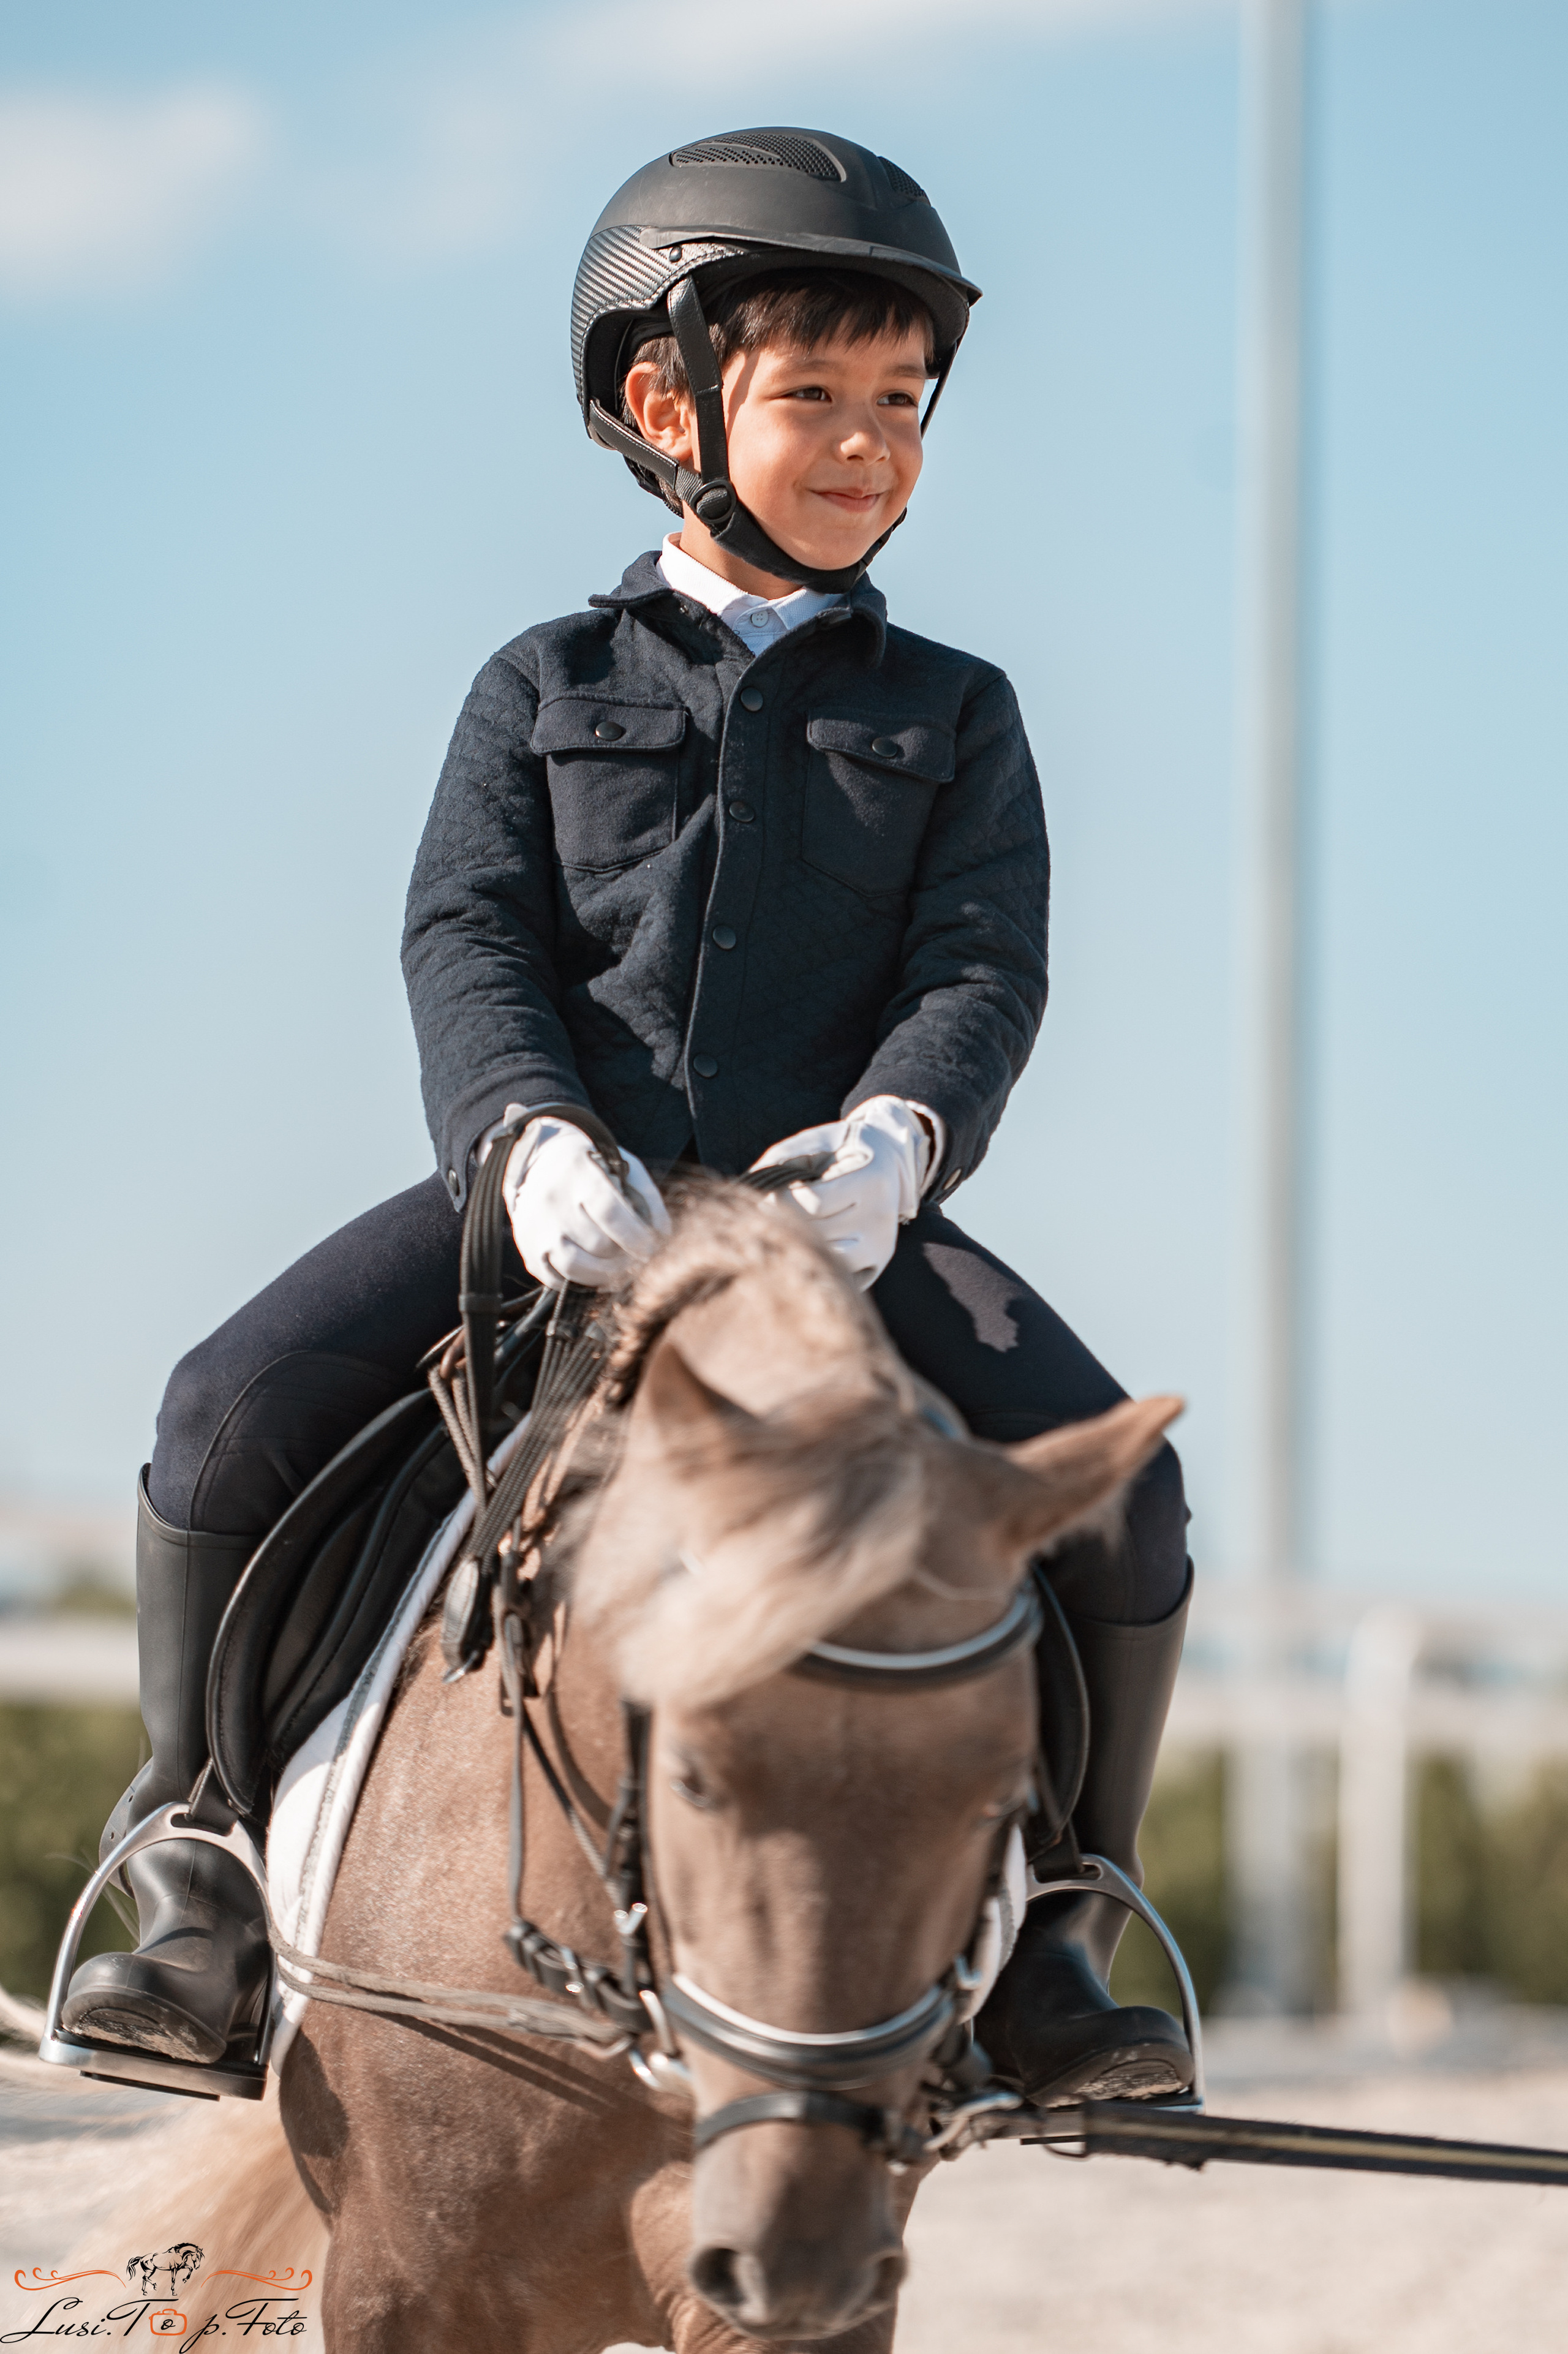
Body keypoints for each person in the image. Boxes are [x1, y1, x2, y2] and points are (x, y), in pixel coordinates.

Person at [64, 126, 1194, 2108]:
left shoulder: (957, 709)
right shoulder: (541, 680)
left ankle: (1067, 1929)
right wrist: (519, 1135)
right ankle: (194, 1857)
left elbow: (982, 969)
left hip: (828, 1221)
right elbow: (465, 931)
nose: (871, 445)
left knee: (1130, 1492)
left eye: (904, 404)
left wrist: (896, 1144)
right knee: (218, 1409)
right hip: (556, 1203)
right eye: (817, 398)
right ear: (664, 405)